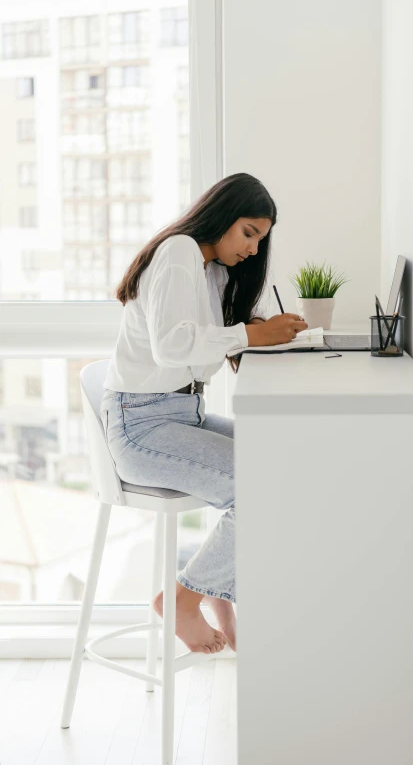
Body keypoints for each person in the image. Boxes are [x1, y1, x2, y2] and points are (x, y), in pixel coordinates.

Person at [100, 172, 307, 654]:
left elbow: (195, 349)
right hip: (142, 426)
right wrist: (250, 336)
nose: (254, 249)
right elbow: (173, 347)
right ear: (221, 214)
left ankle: (216, 595)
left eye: (261, 239)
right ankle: (182, 600)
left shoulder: (209, 269)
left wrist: (250, 329)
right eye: (249, 233)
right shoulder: (177, 252)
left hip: (178, 415)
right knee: (257, 487)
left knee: (284, 466)